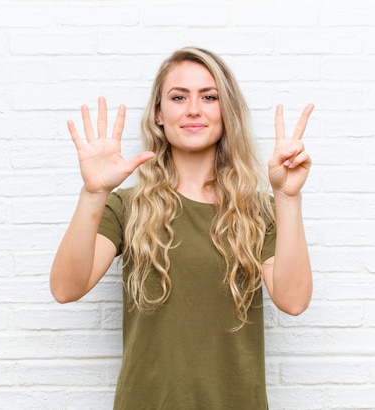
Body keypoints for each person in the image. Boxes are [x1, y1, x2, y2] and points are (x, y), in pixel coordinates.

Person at [50, 47, 313, 409]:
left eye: (209, 96)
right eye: (178, 97)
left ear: (226, 112)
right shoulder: (128, 206)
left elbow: (294, 301)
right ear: (159, 114)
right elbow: (66, 289)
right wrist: (94, 193)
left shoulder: (257, 211)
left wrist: (287, 197)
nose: (193, 109)